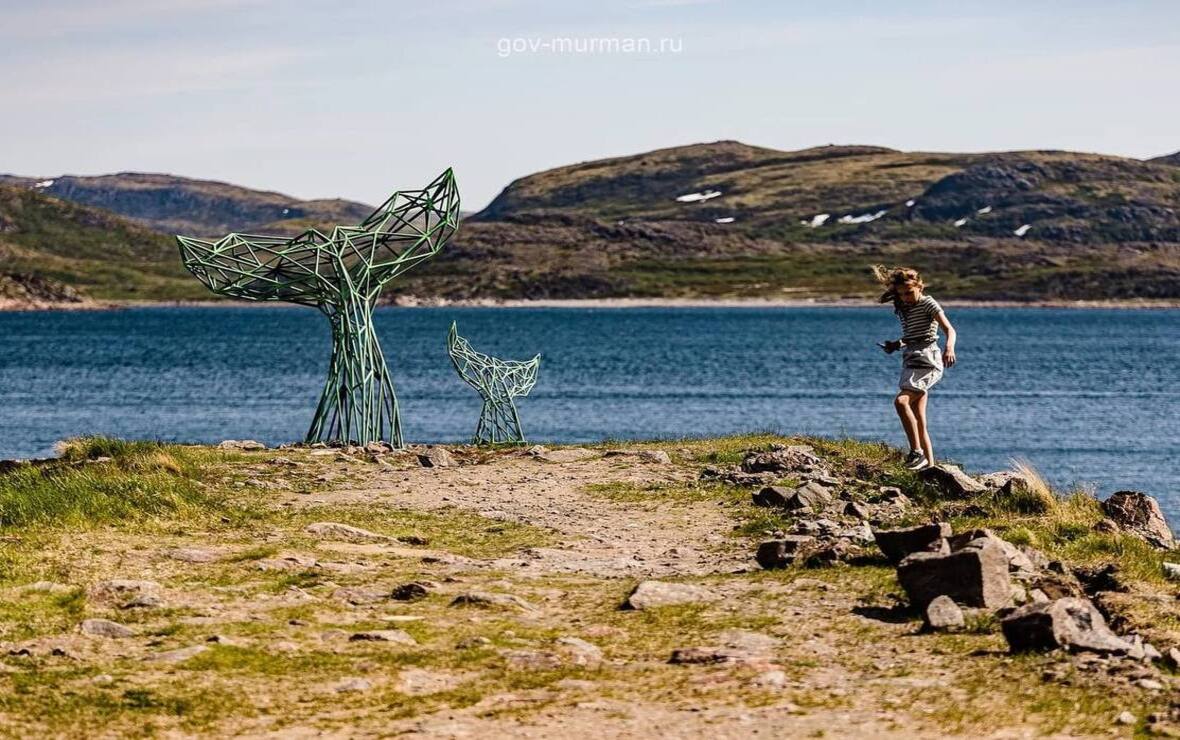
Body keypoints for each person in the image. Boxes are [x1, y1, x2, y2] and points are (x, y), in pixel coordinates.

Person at [872, 265, 957, 471]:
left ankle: (916, 453)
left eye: (909, 292)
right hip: (911, 358)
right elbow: (912, 337)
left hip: (928, 360)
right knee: (919, 421)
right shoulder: (905, 308)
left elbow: (949, 329)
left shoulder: (929, 303)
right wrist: (895, 345)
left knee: (901, 402)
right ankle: (931, 470)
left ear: (920, 286)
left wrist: (949, 348)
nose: (906, 297)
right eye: (901, 294)